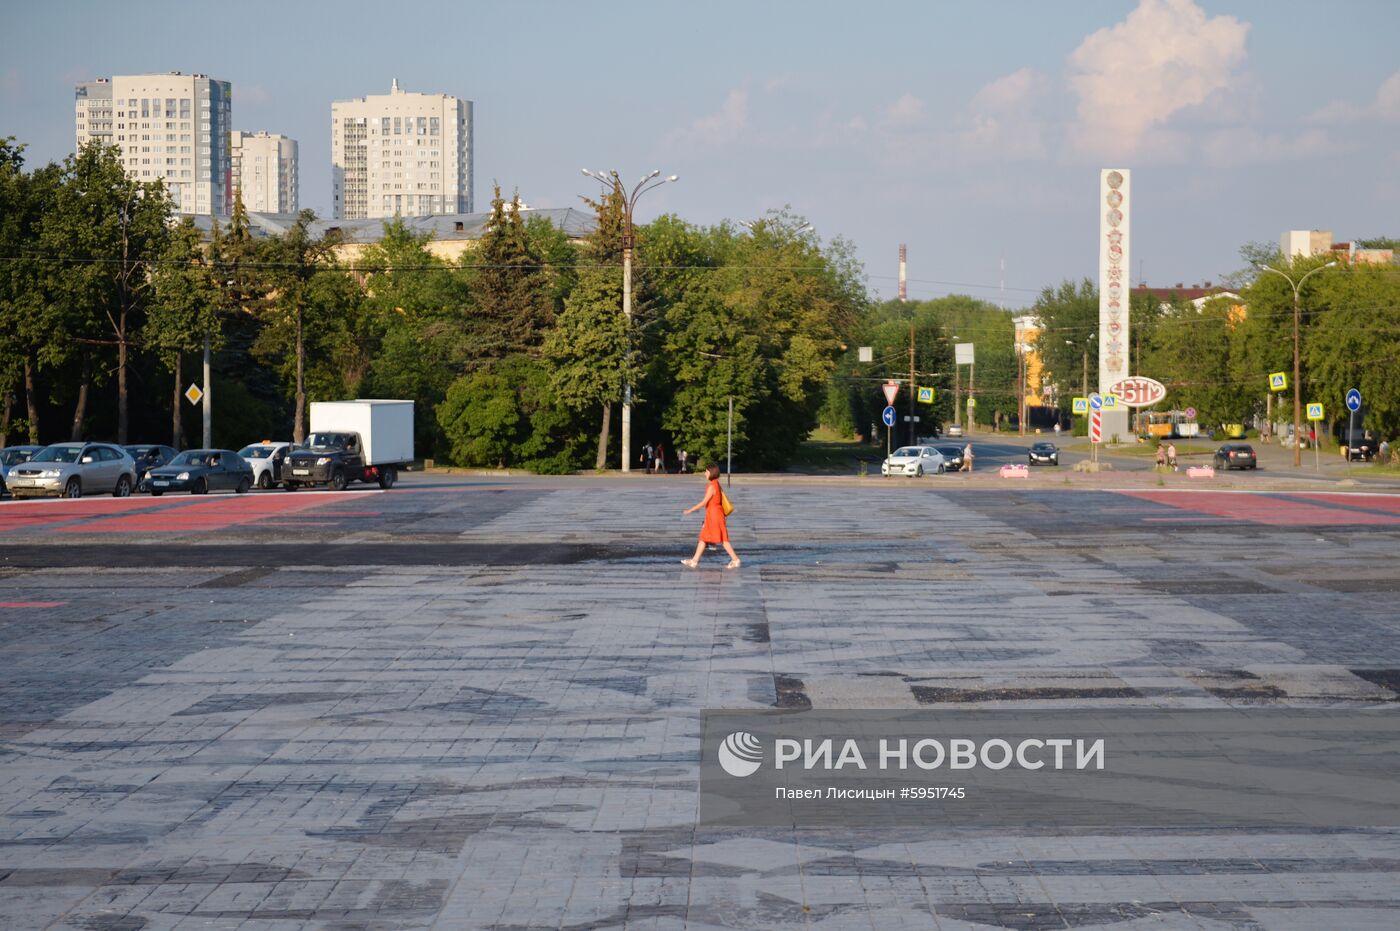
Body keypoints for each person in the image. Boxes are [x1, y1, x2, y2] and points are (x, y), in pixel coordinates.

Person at [681, 464, 740, 569]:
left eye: (706, 472)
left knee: (723, 539)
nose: (705, 474)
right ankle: (694, 561)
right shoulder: (716, 484)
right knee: (703, 537)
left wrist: (689, 510)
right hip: (714, 514)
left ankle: (735, 560)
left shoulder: (712, 486)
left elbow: (704, 502)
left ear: (711, 473)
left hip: (714, 516)